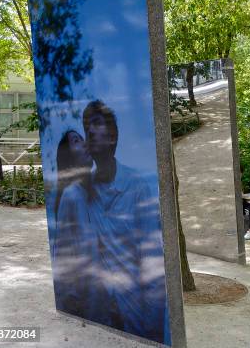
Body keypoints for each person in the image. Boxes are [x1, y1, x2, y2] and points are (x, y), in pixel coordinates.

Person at [82, 99, 168, 343]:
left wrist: (152, 324)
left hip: (136, 313)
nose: (89, 130)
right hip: (100, 314)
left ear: (112, 137)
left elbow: (152, 260)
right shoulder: (83, 190)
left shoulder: (137, 186)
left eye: (96, 124)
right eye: (86, 125)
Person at [52, 129, 103, 320]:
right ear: (68, 155)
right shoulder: (72, 195)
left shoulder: (90, 192)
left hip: (97, 304)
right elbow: (63, 256)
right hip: (82, 305)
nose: (84, 143)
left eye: (82, 138)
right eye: (76, 140)